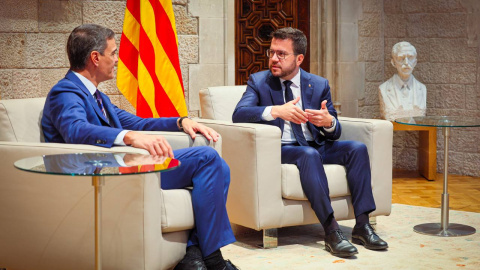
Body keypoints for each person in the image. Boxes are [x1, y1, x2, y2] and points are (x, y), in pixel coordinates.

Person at [41, 24, 238, 270]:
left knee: (221, 167)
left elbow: (139, 123)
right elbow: (76, 130)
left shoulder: (98, 97)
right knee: (207, 157)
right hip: (96, 180)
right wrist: (129, 137)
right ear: (95, 57)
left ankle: (195, 255)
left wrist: (181, 120)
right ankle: (213, 260)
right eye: (113, 53)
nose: (117, 60)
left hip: (121, 171)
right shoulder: (66, 92)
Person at [232, 27, 388, 257]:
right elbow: (239, 114)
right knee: (308, 154)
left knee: (356, 149)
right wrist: (276, 111)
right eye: (271, 52)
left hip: (315, 144)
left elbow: (334, 131)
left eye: (281, 54)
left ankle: (362, 226)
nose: (274, 59)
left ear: (299, 58)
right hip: (282, 149)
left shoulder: (319, 84)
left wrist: (328, 123)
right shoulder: (259, 82)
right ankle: (332, 230)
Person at [379, 41, 426, 121]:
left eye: (410, 58)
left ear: (415, 62)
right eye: (401, 58)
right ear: (393, 62)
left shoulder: (422, 89)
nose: (406, 63)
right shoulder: (384, 89)